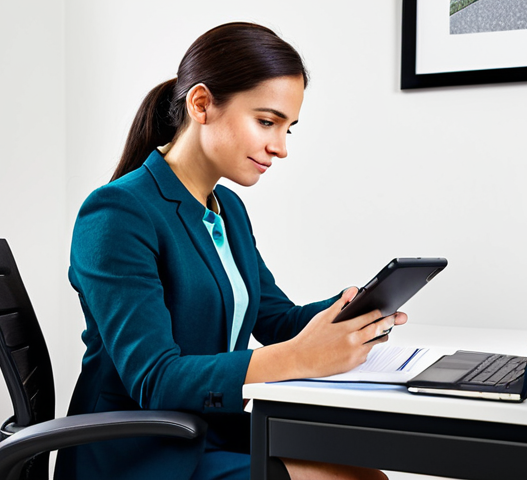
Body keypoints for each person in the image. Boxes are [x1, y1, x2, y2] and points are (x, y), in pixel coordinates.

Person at [55, 22, 406, 480]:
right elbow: (155, 379)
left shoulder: (228, 211)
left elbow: (276, 320)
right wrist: (301, 357)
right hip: (137, 453)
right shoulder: (118, 213)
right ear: (201, 104)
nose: (279, 148)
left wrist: (355, 308)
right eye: (266, 121)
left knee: (365, 473)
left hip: (208, 433)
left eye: (288, 129)